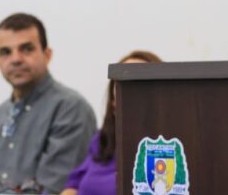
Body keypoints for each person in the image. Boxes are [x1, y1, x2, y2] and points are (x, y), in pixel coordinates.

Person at [0, 13, 97, 194]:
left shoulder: (70, 108)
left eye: (27, 49)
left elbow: (54, 189)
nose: (16, 59)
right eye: (6, 52)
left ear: (47, 54)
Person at [61, 51, 163, 195]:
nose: (131, 93)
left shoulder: (164, 150)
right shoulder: (102, 141)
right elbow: (73, 185)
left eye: (139, 83)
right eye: (124, 84)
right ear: (113, 103)